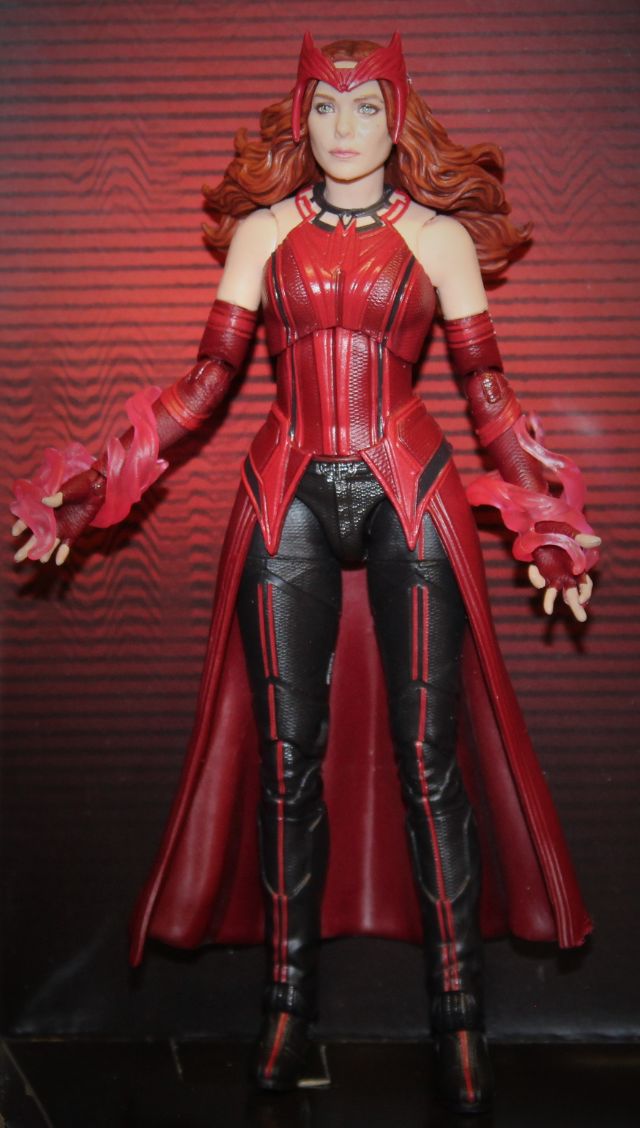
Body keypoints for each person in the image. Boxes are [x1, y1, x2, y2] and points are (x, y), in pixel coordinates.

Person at [11, 34, 600, 1114]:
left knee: (429, 763)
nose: (344, 127)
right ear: (301, 116)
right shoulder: (262, 233)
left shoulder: (437, 239)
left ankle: (459, 1015)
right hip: (284, 488)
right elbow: (204, 385)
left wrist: (554, 522)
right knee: (287, 762)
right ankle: (287, 1005)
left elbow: (489, 398)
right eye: (325, 106)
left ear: (396, 116)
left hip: (410, 487)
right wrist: (93, 483)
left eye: (365, 106)